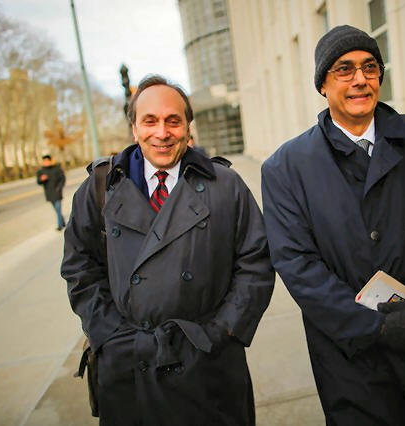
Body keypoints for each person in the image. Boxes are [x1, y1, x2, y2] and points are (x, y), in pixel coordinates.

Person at [261, 25, 405, 425]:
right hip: (346, 353)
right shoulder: (285, 167)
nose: (360, 79)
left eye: (370, 67)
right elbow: (295, 262)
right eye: (344, 69)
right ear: (322, 85)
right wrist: (370, 326)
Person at [61, 75, 274, 425]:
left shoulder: (226, 185)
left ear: (188, 128)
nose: (162, 132)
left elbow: (256, 263)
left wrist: (223, 332)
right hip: (130, 364)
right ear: (134, 129)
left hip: (208, 362)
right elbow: (79, 267)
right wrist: (110, 334)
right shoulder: (100, 187)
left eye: (173, 121)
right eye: (150, 121)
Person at [36, 154, 66, 230]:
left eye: (47, 161)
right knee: (57, 210)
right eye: (44, 161)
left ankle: (59, 226)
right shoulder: (41, 171)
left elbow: (62, 179)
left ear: (50, 161)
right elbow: (38, 182)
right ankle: (62, 222)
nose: (46, 162)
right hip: (49, 193)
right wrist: (41, 179)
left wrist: (59, 187)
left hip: (57, 192)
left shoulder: (57, 169)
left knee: (58, 209)